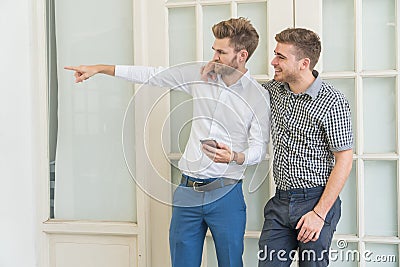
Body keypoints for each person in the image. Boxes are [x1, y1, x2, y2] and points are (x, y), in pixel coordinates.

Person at [65, 17, 270, 267]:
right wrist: (100, 68)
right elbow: (154, 75)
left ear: (242, 55)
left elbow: (259, 148)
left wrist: (235, 157)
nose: (214, 56)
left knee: (230, 263)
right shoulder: (200, 76)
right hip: (187, 192)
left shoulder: (257, 96)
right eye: (214, 50)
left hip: (226, 195)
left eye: (221, 52)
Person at [258, 28, 353, 266]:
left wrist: (319, 214)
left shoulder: (332, 101)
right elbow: (240, 90)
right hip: (280, 202)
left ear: (304, 63)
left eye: (281, 57)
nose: (273, 62)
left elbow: (344, 159)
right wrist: (221, 68)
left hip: (315, 200)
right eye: (275, 54)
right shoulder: (273, 91)